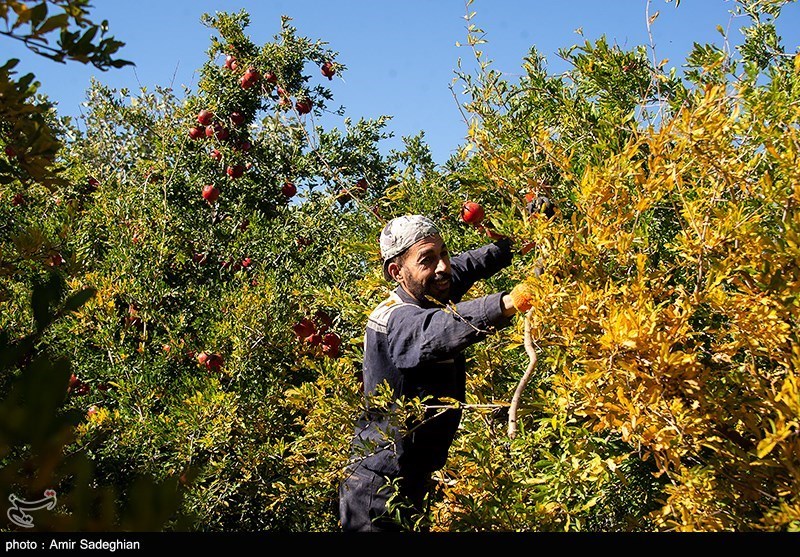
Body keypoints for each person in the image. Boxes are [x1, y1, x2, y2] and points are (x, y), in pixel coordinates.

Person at [338, 214, 535, 532]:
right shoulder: (398, 319)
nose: (443, 266)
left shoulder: (429, 286)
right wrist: (509, 302)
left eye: (443, 252)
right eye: (428, 260)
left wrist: (516, 243)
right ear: (397, 272)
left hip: (413, 478)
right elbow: (437, 328)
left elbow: (468, 264)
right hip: (377, 491)